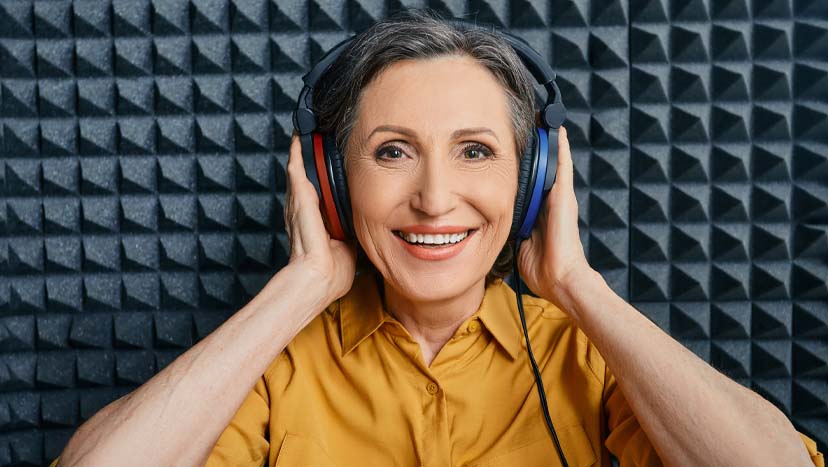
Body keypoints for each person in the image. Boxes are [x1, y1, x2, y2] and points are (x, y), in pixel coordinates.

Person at [49, 8, 823, 467]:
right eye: (392, 151)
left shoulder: (588, 355)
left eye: (475, 151)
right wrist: (300, 286)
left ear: (534, 181)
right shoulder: (272, 366)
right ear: (332, 180)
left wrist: (581, 287)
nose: (433, 198)